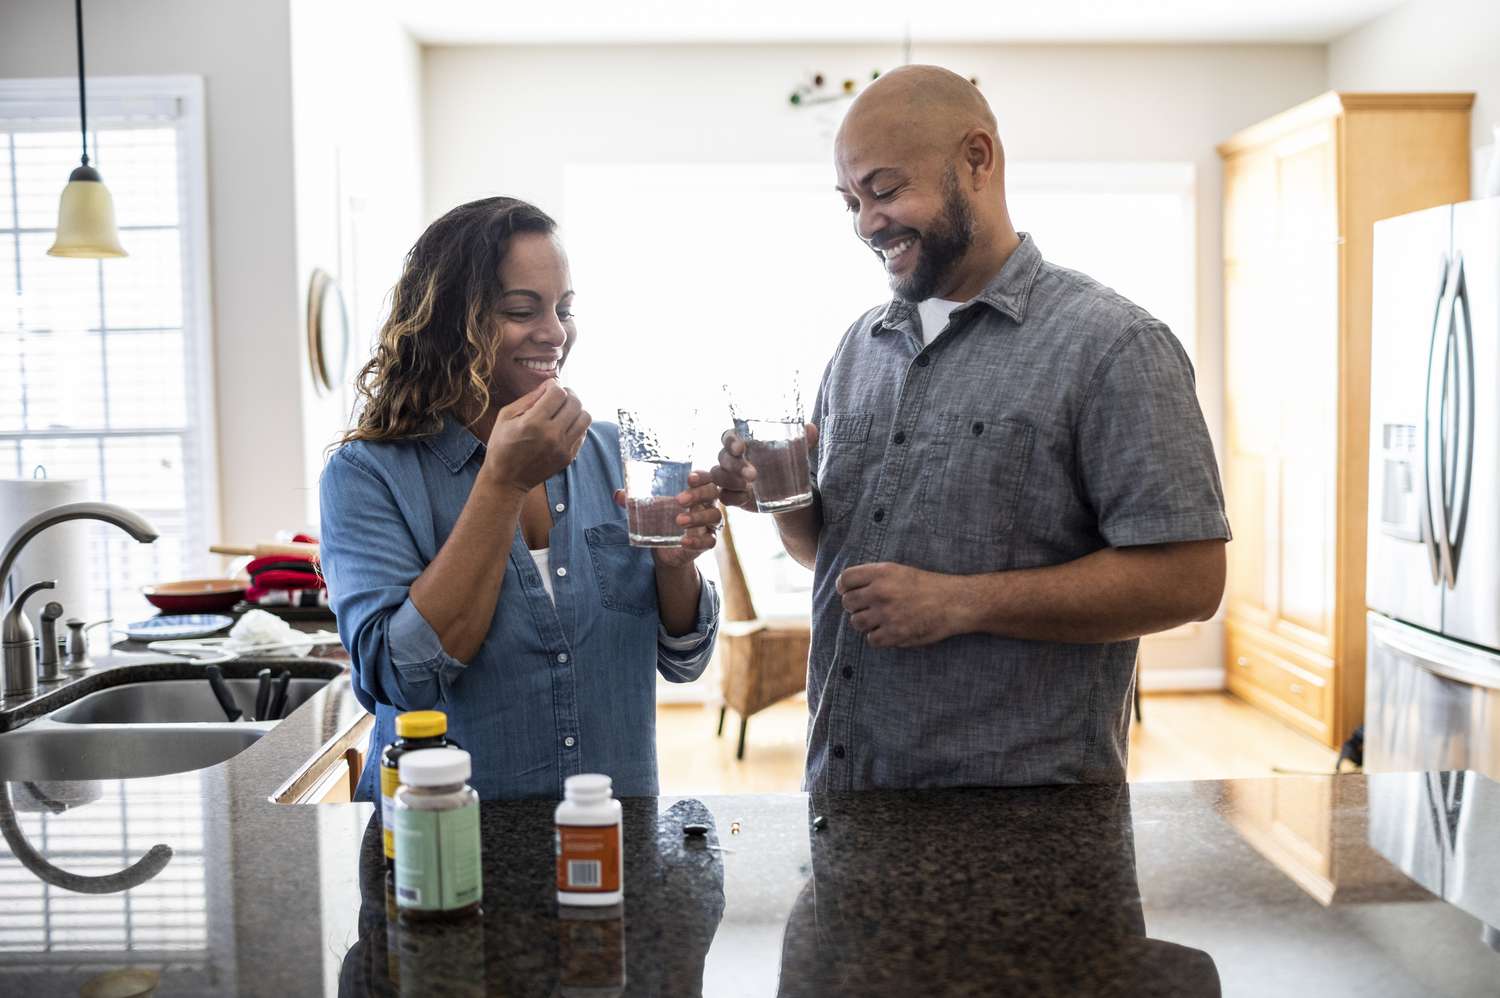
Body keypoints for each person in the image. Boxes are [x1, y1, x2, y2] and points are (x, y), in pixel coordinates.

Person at [714, 66, 1229, 791]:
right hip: (843, 800)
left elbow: (1191, 580)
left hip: (1024, 832)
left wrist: (960, 602)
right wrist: (785, 494)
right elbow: (825, 558)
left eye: (887, 190)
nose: (866, 223)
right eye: (851, 201)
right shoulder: (860, 346)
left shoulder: (1114, 345)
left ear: (977, 159)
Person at [321, 197, 722, 801]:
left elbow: (685, 660)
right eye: (520, 310)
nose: (555, 333)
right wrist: (502, 484)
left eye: (564, 309)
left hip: (611, 837)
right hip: (440, 847)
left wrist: (676, 567)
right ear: (449, 323)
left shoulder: (614, 453)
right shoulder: (367, 475)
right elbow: (404, 680)